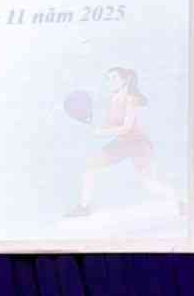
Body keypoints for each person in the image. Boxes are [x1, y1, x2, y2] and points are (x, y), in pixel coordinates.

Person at [66, 66, 180, 217]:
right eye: (108, 78)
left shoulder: (131, 99)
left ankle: (179, 202)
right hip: (122, 143)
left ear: (125, 80)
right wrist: (98, 127)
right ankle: (84, 207)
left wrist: (101, 132)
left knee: (149, 184)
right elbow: (111, 124)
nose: (110, 81)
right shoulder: (113, 99)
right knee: (90, 167)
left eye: (114, 78)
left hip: (139, 144)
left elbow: (127, 127)